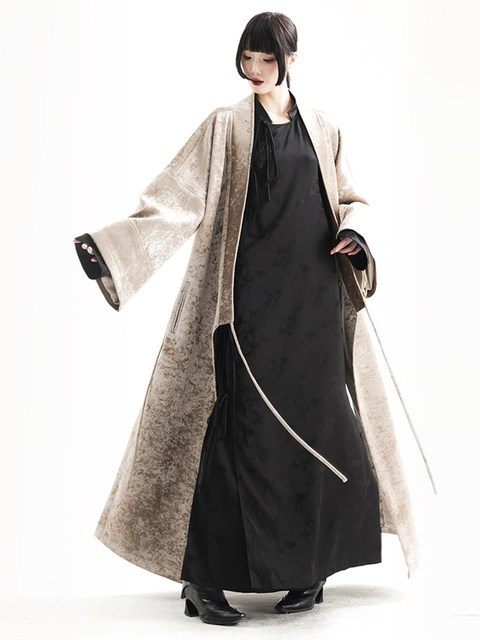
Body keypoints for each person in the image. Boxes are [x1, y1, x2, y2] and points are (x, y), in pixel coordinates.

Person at [73, 12, 417, 628]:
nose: (255, 70)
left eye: (267, 60)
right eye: (247, 59)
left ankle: (308, 571)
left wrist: (356, 234)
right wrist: (114, 247)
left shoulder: (326, 129)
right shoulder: (224, 126)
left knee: (321, 431)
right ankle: (203, 579)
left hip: (312, 304)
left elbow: (351, 200)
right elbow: (176, 199)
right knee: (232, 437)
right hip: (244, 304)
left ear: (291, 61)